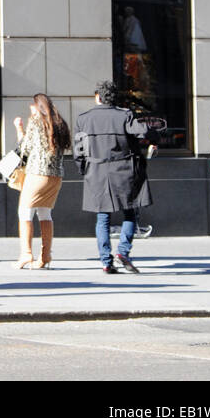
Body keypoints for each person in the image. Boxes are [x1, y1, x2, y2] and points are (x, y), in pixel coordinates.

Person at [75, 80, 158, 274]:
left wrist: (83, 170)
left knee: (102, 217)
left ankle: (106, 261)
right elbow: (143, 131)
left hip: (96, 170)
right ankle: (123, 252)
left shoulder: (84, 119)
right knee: (130, 211)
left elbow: (79, 150)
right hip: (124, 170)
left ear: (98, 96)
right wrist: (154, 139)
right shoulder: (125, 115)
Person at [12, 93, 70, 269]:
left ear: (37, 106)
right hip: (56, 176)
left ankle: (26, 254)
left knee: (24, 213)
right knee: (45, 213)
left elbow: (25, 148)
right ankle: (45, 256)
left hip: (37, 174)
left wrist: (18, 128)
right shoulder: (60, 124)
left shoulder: (36, 123)